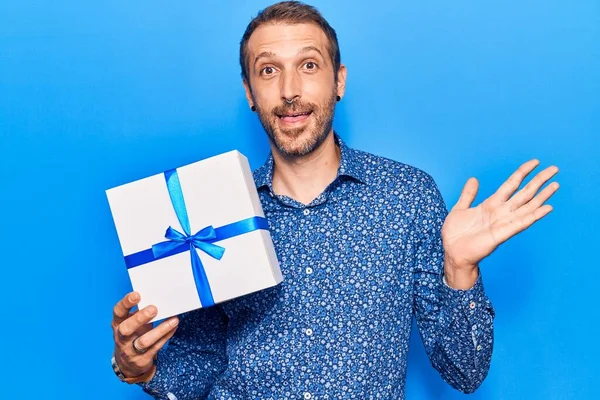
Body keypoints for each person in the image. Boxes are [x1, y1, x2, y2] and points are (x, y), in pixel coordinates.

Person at [109, 2, 559, 399]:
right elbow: (198, 370)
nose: (289, 90)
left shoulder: (408, 197)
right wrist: (140, 367)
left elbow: (465, 372)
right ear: (249, 92)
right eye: (268, 70)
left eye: (308, 65)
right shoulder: (212, 212)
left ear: (338, 81)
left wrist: (460, 271)